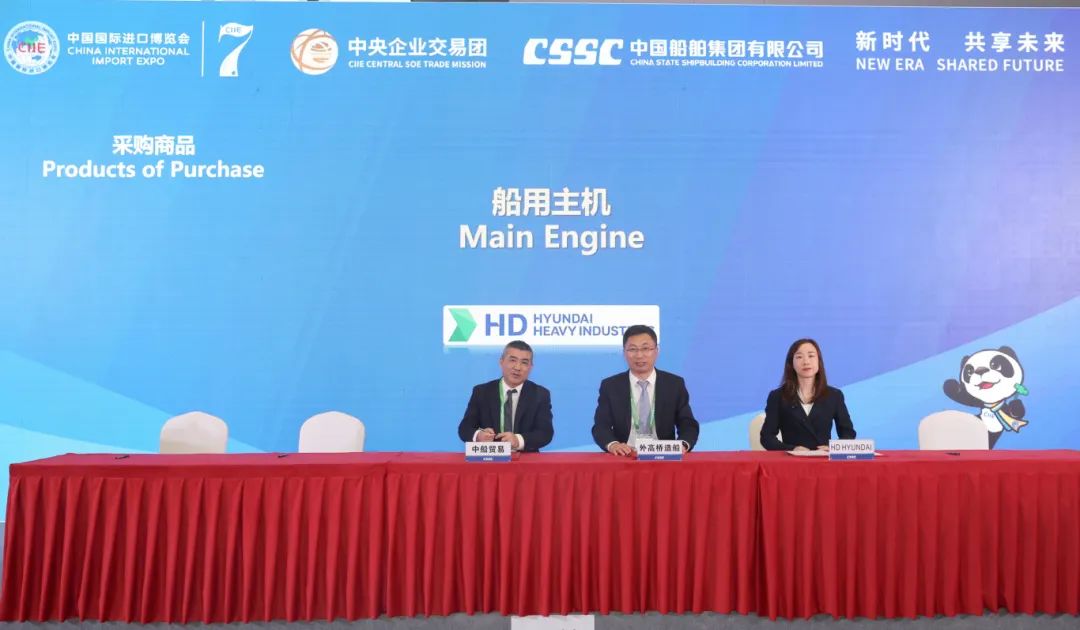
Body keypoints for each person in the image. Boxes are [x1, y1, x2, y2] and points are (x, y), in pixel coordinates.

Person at [592, 325, 699, 456]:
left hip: (664, 457)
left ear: (656, 351)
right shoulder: (611, 386)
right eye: (632, 349)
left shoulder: (674, 384)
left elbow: (688, 423)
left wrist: (682, 445)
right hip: (626, 456)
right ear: (624, 352)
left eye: (645, 348)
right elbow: (601, 426)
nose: (639, 355)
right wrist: (613, 445)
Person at [457, 340, 554, 452]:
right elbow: (465, 428)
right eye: (512, 360)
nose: (517, 367)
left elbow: (545, 433)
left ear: (531, 367)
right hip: (490, 458)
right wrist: (479, 436)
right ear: (501, 362)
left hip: (526, 459)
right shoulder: (482, 392)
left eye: (524, 362)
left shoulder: (540, 394)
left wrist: (518, 440)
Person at [760, 338, 856, 451]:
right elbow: (767, 437)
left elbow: (848, 433)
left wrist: (833, 448)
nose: (806, 362)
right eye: (799, 357)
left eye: (811, 356)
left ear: (819, 361)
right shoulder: (777, 396)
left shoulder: (834, 395)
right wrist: (792, 449)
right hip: (792, 459)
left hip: (823, 458)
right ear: (791, 363)